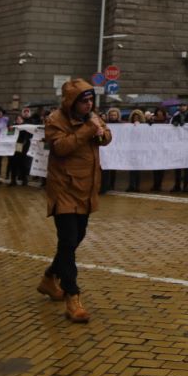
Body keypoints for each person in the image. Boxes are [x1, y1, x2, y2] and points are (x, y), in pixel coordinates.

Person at [38, 79, 112, 323]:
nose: (88, 104)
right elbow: (60, 147)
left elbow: (107, 137)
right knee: (68, 241)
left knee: (76, 237)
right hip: (64, 188)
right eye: (84, 101)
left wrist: (102, 132)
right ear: (72, 102)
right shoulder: (55, 120)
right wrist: (89, 129)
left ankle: (50, 277)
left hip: (86, 188)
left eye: (91, 100)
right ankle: (72, 295)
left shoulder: (92, 116)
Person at [170, 104, 188, 192]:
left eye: (184, 106)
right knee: (177, 166)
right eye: (181, 106)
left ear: (187, 107)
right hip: (178, 145)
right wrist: (174, 125)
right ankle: (177, 185)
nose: (182, 107)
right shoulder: (176, 117)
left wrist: (187, 125)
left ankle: (185, 185)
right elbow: (170, 129)